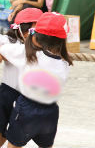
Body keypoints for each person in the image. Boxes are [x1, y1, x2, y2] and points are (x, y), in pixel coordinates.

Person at [0, 12, 71, 148]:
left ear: (35, 37)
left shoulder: (29, 56)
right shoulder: (65, 63)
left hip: (27, 108)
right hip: (51, 111)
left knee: (14, 144)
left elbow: (3, 49)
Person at [0, 8, 42, 147]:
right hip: (7, 94)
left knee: (15, 138)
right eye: (34, 30)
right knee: (1, 133)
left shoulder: (42, 46)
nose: (38, 34)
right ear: (22, 29)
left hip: (28, 98)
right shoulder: (9, 42)